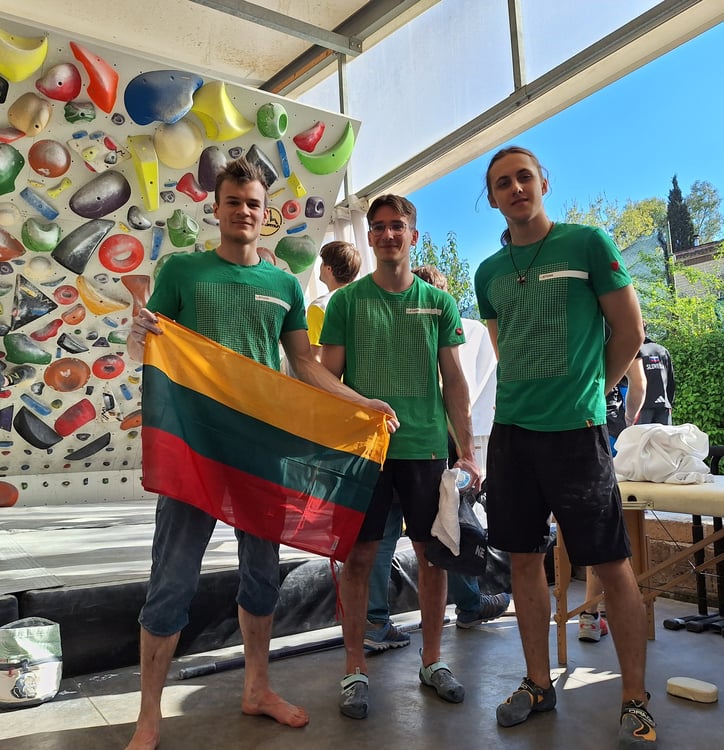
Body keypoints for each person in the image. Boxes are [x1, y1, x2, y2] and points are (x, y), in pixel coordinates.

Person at [124, 157, 397, 750]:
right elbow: (152, 344)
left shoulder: (283, 286)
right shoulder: (182, 271)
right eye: (234, 202)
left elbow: (303, 365)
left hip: (260, 453)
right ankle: (149, 716)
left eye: (253, 203)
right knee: (171, 580)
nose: (243, 212)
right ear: (216, 208)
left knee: (262, 578)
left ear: (265, 213)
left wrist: (361, 403)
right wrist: (134, 336)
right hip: (196, 449)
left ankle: (257, 688)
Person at [475, 146, 657, 747]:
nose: (515, 188)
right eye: (503, 183)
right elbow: (505, 348)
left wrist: (593, 393)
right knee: (522, 560)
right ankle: (537, 683)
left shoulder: (587, 244)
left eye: (524, 177)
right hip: (512, 435)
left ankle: (635, 699)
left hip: (577, 434)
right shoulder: (487, 273)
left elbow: (629, 331)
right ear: (493, 198)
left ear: (544, 182)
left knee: (609, 562)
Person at [320, 195, 482, 720]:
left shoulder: (439, 303)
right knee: (359, 559)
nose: (389, 234)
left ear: (413, 235)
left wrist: (468, 452)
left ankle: (432, 661)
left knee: (433, 558)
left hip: (427, 450)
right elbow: (326, 379)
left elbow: (454, 380)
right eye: (379, 227)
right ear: (369, 237)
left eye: (398, 226)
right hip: (366, 454)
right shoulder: (345, 303)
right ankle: (354, 669)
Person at [363, 264, 509, 649]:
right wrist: (465, 451)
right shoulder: (438, 328)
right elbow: (453, 390)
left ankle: (375, 622)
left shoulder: (382, 326)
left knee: (383, 538)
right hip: (426, 446)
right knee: (446, 529)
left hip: (386, 444)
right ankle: (469, 605)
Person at [580, 354, 647, 643]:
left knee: (591, 527)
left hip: (569, 426)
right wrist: (630, 419)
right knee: (612, 531)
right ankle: (609, 614)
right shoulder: (622, 333)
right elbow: (639, 384)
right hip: (608, 429)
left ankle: (589, 615)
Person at [307, 240, 361, 361]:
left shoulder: (320, 307)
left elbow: (316, 358)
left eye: (322, 263)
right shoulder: (365, 302)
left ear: (329, 269)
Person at [637, 327, 675, 425]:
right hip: (664, 405)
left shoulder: (636, 351)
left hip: (642, 407)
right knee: (665, 435)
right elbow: (671, 381)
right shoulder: (662, 350)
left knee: (642, 435)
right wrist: (669, 403)